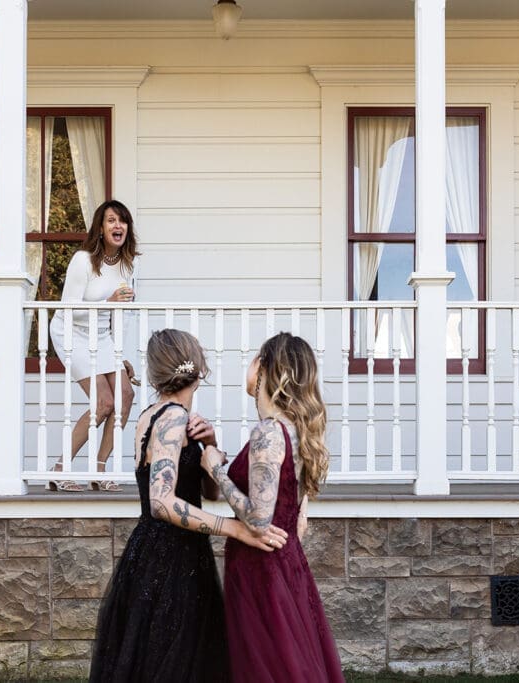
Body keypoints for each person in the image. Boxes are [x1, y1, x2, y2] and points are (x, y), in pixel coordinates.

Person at [90, 329, 288, 682]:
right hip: (170, 559)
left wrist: (210, 446)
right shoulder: (173, 419)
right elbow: (161, 502)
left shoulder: (154, 415)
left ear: (155, 374)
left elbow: (207, 493)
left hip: (162, 551)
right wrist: (234, 528)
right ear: (200, 370)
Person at [201, 332, 344, 683]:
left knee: (266, 667)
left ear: (265, 368)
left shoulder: (269, 432)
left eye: (253, 358)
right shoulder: (296, 430)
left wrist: (215, 469)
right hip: (285, 563)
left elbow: (258, 519)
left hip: (260, 570)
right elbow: (298, 518)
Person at [48, 199, 140, 492]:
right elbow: (69, 310)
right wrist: (108, 302)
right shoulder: (83, 260)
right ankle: (59, 469)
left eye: (122, 221)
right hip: (71, 332)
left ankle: (99, 470)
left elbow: (121, 317)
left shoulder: (128, 265)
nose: (118, 226)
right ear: (100, 228)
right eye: (111, 220)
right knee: (103, 403)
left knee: (125, 396)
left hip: (101, 336)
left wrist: (119, 354)